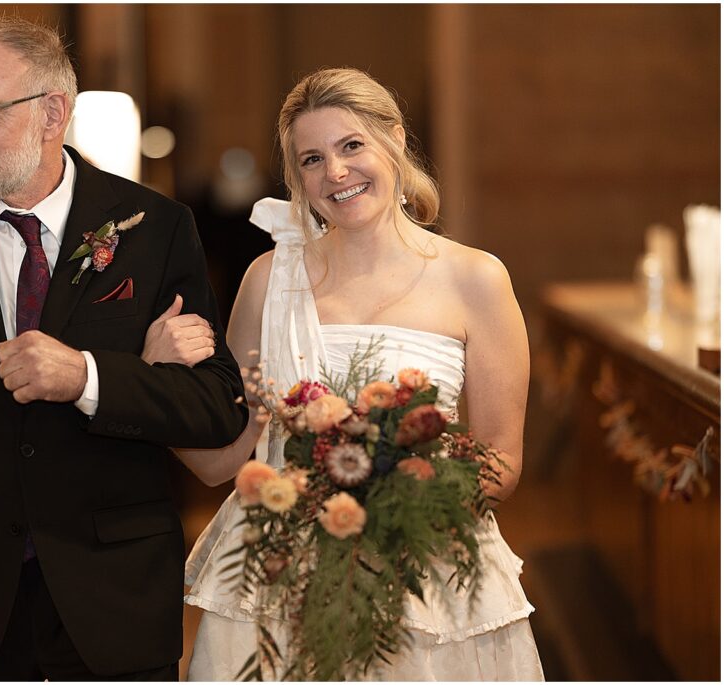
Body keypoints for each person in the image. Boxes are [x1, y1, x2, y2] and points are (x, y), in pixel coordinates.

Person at [0, 16, 247, 681]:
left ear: (53, 111)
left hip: (112, 600)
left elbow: (215, 411)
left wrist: (86, 376)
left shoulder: (153, 228)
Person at [175, 68, 545, 680]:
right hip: (279, 579)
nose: (336, 173)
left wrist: (394, 508)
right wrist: (159, 378)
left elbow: (500, 462)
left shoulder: (476, 279)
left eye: (352, 146)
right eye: (312, 160)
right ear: (297, 179)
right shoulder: (269, 281)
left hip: (428, 570)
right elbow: (226, 459)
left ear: (395, 139)